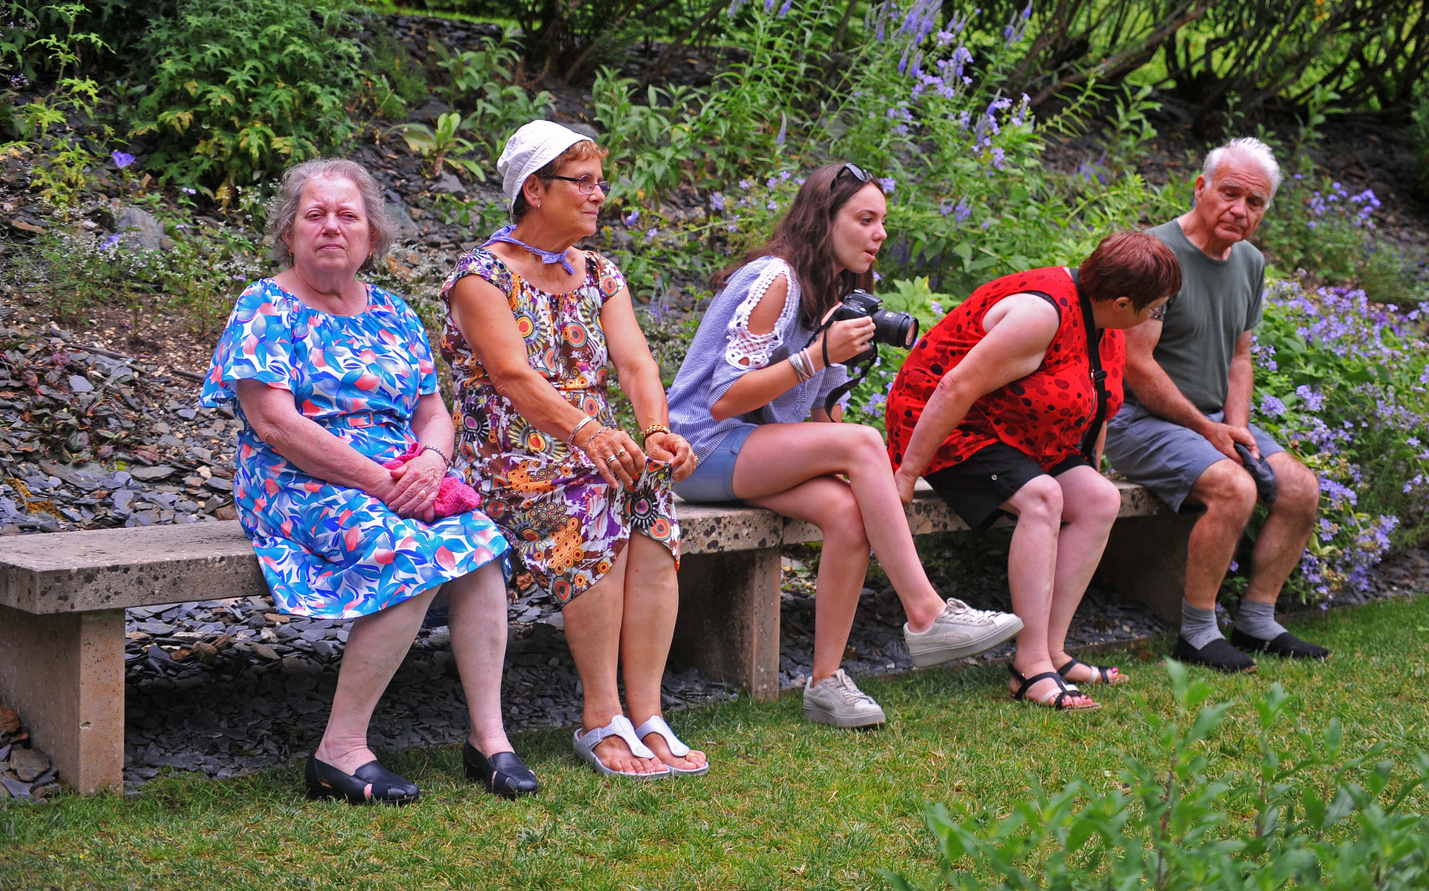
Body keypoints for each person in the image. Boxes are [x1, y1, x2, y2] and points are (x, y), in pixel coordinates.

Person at [201, 158, 535, 804]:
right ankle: (339, 751)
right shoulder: (262, 305)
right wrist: (381, 483)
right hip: (295, 482)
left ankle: (489, 740)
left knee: (481, 548)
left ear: (371, 237)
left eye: (346, 215)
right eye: (314, 215)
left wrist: (433, 463)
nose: (331, 226)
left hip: (400, 475)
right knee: (407, 551)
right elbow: (274, 424)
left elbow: (432, 411)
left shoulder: (394, 312)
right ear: (289, 232)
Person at [666, 162, 1024, 728]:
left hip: (757, 447)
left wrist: (868, 482)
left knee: (848, 513)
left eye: (883, 222)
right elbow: (724, 399)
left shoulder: (840, 293)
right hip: (700, 448)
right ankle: (928, 614)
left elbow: (819, 410)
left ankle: (825, 684)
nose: (879, 234)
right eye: (864, 219)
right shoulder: (775, 280)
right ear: (821, 221)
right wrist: (818, 355)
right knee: (862, 443)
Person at [441, 120, 704, 780]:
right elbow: (511, 377)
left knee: (650, 505)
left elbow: (637, 364)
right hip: (507, 465)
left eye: (598, 181)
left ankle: (647, 715)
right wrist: (588, 433)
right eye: (581, 182)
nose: (598, 195)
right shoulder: (481, 275)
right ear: (534, 189)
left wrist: (653, 434)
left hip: (593, 459)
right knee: (599, 505)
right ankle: (600, 716)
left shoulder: (599, 273)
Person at [887, 232, 1182, 710]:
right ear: (1124, 302)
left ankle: (1053, 651)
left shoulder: (1107, 324)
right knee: (1042, 496)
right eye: (1156, 308)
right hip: (950, 427)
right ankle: (1029, 668)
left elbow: (1099, 407)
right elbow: (952, 389)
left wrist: (1091, 471)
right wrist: (904, 475)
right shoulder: (1040, 316)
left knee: (1100, 499)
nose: (1156, 317)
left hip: (1025, 431)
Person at [1104, 137, 1329, 672]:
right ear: (1201, 187)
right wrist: (1209, 432)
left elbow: (1240, 356)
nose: (1240, 211)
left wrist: (1236, 426)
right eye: (1230, 194)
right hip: (1137, 421)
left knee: (1300, 488)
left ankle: (1257, 620)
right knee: (1235, 486)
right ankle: (1198, 632)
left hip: (1209, 423)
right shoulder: (1156, 255)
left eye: (1255, 203)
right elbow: (1136, 363)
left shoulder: (1250, 262)